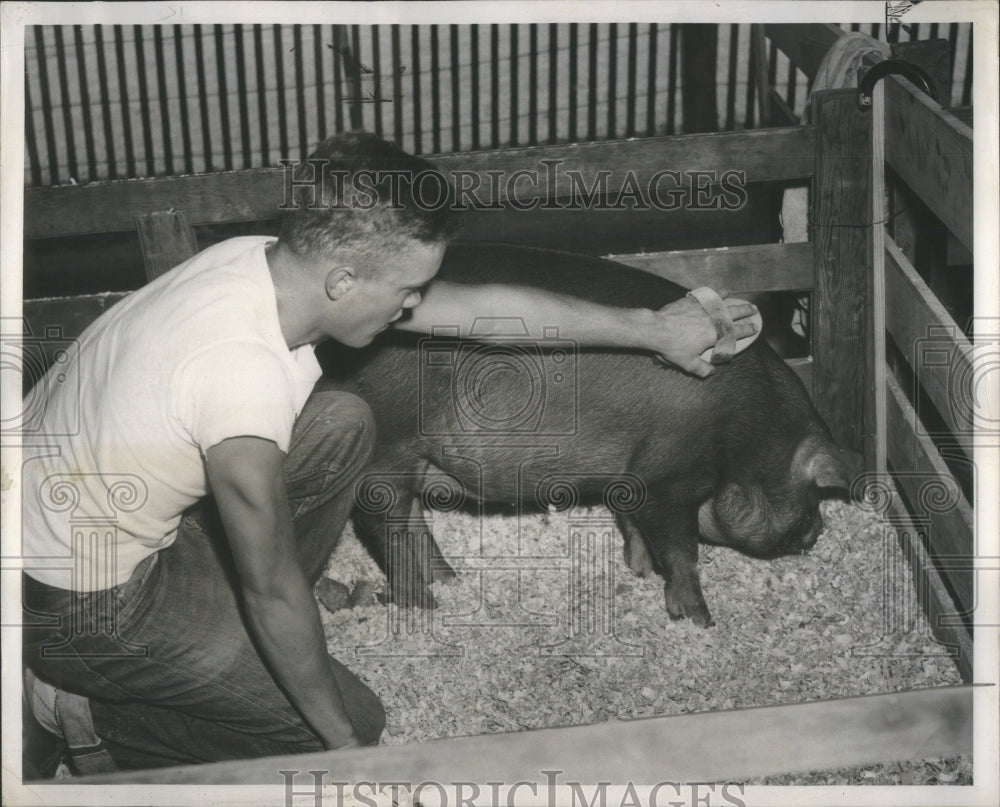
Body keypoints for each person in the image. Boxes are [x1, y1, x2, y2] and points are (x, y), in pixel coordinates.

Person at [21, 132, 759, 771]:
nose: (414, 305)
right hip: (82, 606)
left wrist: (653, 330)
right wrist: (344, 746)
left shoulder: (267, 264)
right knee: (338, 723)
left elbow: (487, 313)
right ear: (344, 279)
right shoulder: (239, 380)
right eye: (407, 290)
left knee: (341, 421)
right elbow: (269, 588)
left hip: (87, 521)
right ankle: (86, 713)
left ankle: (213, 640)